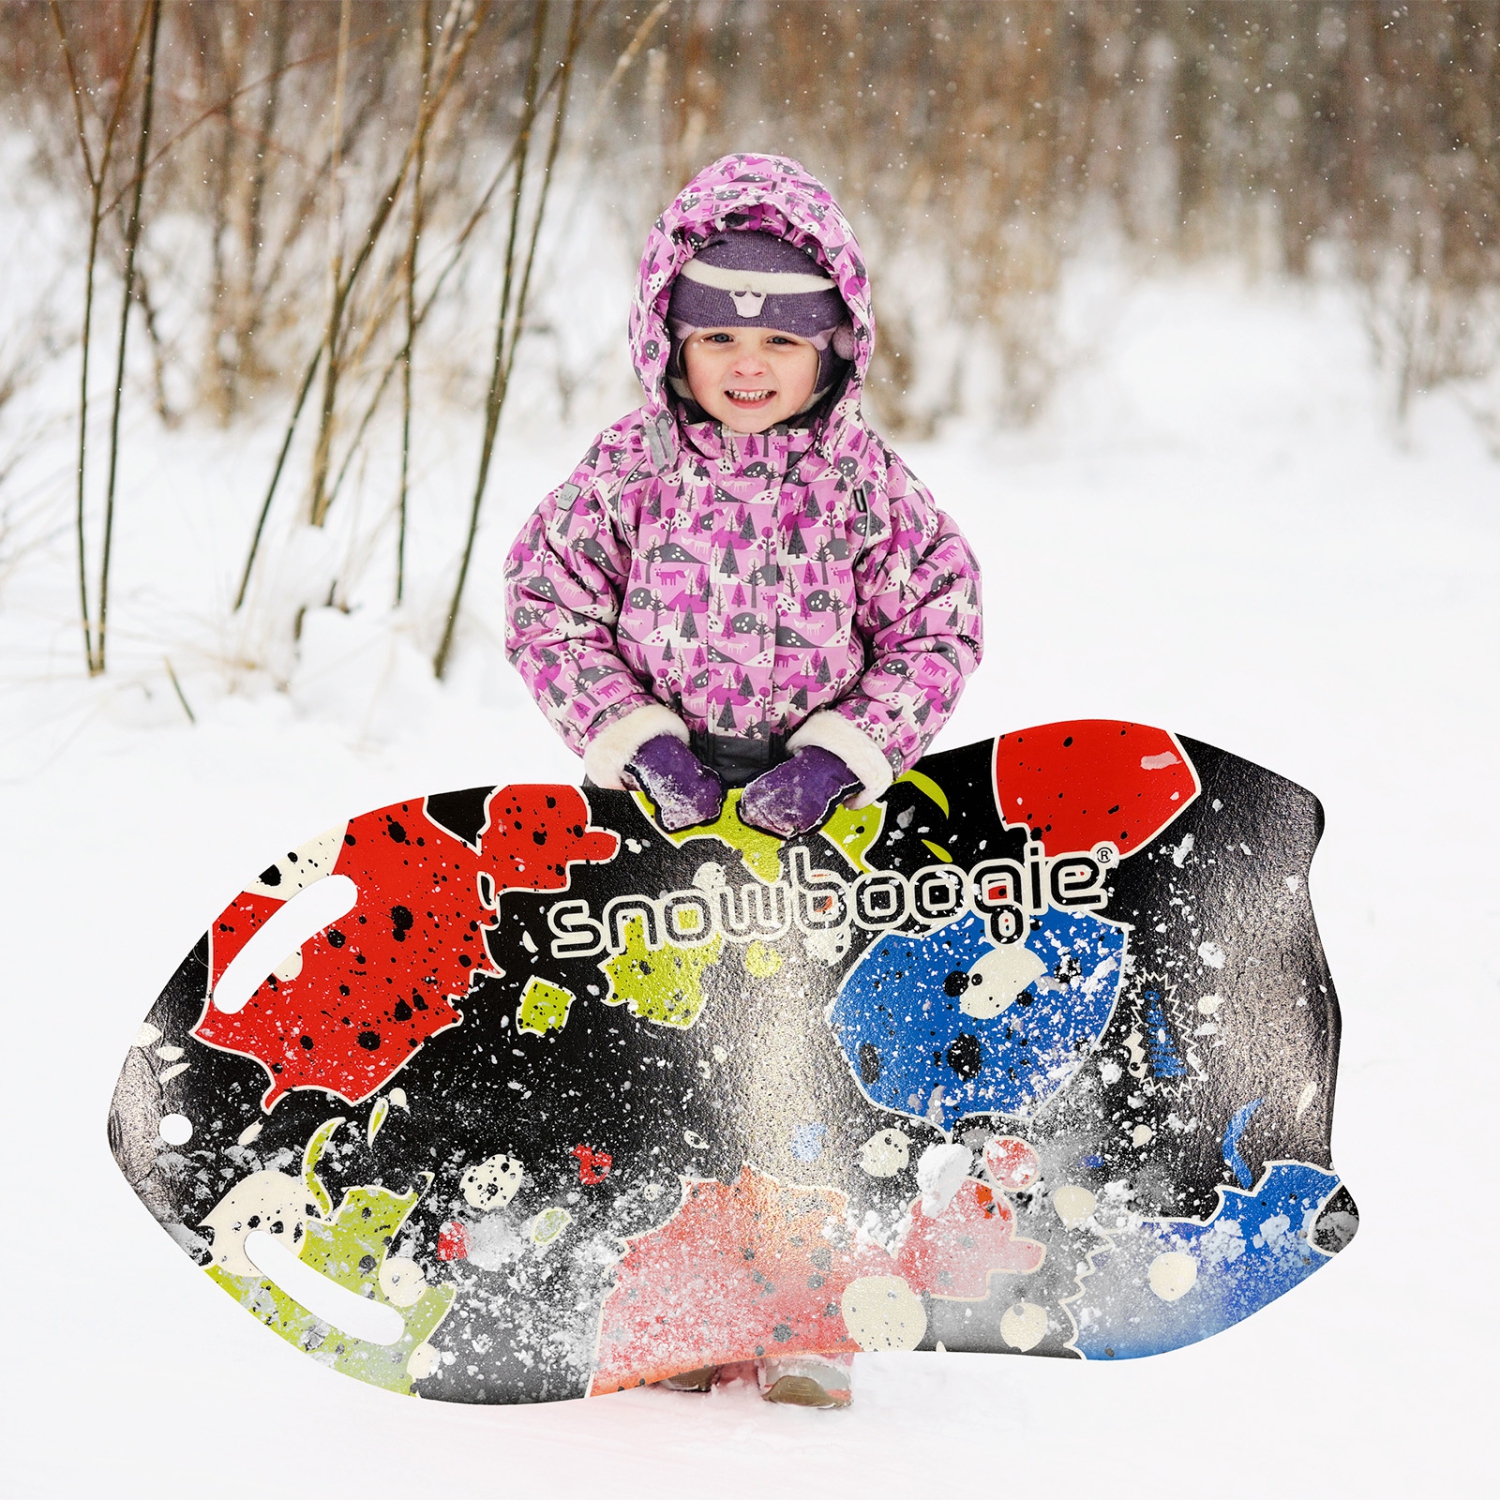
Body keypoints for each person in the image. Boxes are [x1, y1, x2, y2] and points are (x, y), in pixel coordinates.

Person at [504, 154, 983, 1405]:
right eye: (714, 333)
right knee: (665, 1060)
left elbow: (939, 621)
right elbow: (547, 600)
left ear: (838, 344)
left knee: (796, 1060)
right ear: (669, 337)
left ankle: (804, 1319)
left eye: (781, 338)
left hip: (820, 826)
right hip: (659, 813)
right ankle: (673, 1306)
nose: (746, 364)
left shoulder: (863, 487)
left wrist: (842, 755)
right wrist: (626, 734)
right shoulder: (631, 470)